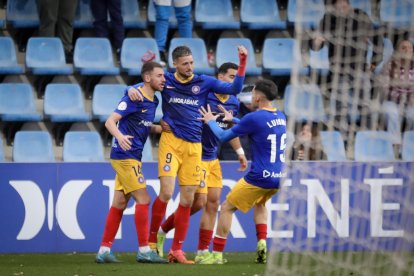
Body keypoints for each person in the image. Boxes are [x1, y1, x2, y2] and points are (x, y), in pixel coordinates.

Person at [127, 45, 247, 264]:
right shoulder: (167, 82)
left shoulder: (203, 82)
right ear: (175, 65)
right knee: (166, 192)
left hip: (194, 147)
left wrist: (242, 63)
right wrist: (130, 88)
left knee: (190, 199)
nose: (190, 67)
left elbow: (235, 88)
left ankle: (177, 250)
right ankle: (151, 243)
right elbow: (147, 84)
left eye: (191, 62)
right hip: (171, 142)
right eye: (185, 64)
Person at [197, 79, 287, 264]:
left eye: (253, 92)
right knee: (260, 205)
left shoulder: (254, 117)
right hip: (278, 177)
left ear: (259, 97)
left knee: (227, 208)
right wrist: (235, 120)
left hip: (259, 177)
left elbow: (222, 136)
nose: (251, 96)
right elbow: (258, 127)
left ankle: (216, 255)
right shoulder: (281, 115)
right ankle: (262, 242)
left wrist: (211, 121)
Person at [95, 61, 167, 264]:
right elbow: (110, 121)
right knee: (143, 199)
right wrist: (119, 136)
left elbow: (143, 126)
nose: (163, 79)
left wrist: (161, 129)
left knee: (119, 203)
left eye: (163, 75)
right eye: (159, 75)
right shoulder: (133, 96)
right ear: (147, 78)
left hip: (134, 156)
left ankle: (103, 251)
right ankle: (144, 250)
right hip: (124, 156)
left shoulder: (153, 101)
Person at [309, 0, 383, 132]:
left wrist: (374, 61)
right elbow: (315, 46)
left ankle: (368, 135)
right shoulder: (328, 19)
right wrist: (317, 40)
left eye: (344, 6)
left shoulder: (361, 16)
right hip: (339, 71)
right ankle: (342, 137)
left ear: (349, 5)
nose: (342, 10)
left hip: (360, 70)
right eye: (338, 8)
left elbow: (377, 39)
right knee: (340, 108)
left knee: (365, 106)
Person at [377, 38, 414, 135]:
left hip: (411, 104)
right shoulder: (389, 66)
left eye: (410, 48)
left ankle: (409, 145)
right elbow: (385, 89)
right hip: (392, 102)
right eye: (403, 48)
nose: (407, 50)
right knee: (391, 112)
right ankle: (395, 145)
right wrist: (406, 97)